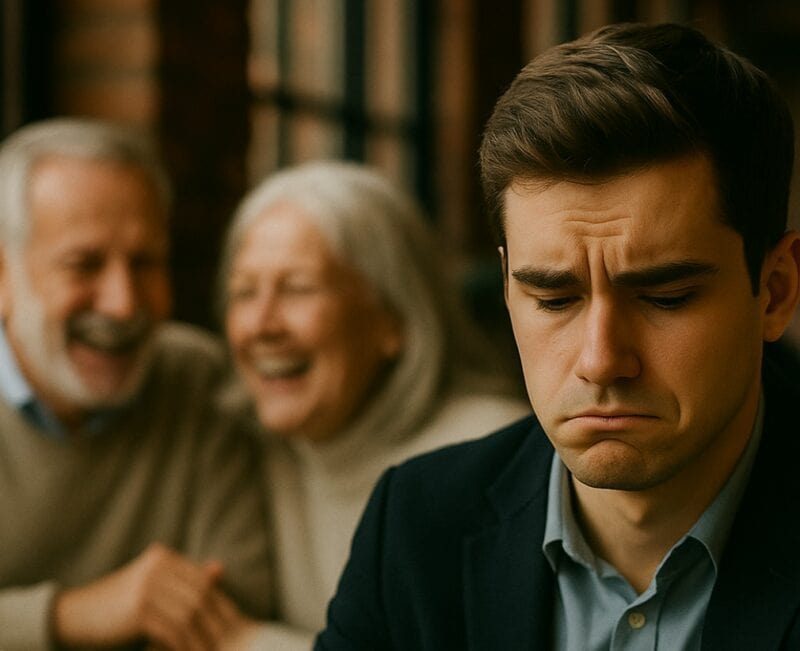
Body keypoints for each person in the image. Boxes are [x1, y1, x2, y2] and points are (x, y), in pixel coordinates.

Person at [315, 22, 800, 650]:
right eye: (553, 298)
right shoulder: (415, 526)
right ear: (509, 288)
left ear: (777, 291)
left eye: (665, 297)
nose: (601, 360)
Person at [211, 160, 531, 648]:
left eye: (297, 288)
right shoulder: (249, 447)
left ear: (392, 319)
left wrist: (250, 643)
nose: (261, 325)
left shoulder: (493, 460)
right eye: (244, 292)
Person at [0, 118, 271, 650]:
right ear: (5, 278)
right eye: (84, 264)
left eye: (145, 262)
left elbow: (236, 604)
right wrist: (71, 615)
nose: (123, 303)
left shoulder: (197, 377)